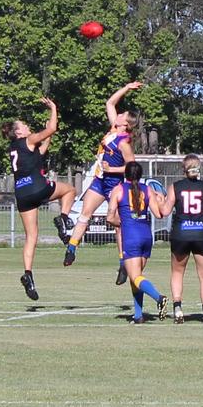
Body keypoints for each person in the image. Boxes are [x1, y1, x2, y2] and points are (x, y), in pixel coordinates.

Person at [64, 81, 141, 286]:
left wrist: (112, 169)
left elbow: (132, 167)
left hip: (115, 184)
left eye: (122, 114)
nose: (118, 114)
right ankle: (71, 248)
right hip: (100, 180)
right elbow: (109, 103)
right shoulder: (112, 130)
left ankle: (123, 263)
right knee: (84, 214)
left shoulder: (124, 142)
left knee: (117, 223)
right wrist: (126, 87)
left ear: (126, 124)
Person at [3, 96, 78, 300]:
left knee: (31, 237)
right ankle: (62, 219)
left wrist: (47, 137)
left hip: (22, 193)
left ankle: (28, 274)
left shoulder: (14, 149)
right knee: (70, 190)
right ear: (19, 132)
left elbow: (41, 151)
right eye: (24, 126)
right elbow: (52, 128)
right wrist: (53, 108)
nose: (28, 127)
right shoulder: (27, 140)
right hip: (37, 186)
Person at [105, 162, 170, 323]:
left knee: (134, 277)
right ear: (140, 175)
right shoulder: (147, 189)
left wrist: (122, 223)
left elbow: (110, 217)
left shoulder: (118, 189)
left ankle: (159, 298)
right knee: (137, 277)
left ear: (125, 174)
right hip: (146, 235)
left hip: (131, 236)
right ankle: (138, 315)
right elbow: (159, 214)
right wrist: (161, 200)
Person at [165, 154, 203, 325]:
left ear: (183, 169)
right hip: (201, 234)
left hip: (181, 234)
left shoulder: (175, 187)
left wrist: (160, 200)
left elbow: (165, 211)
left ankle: (178, 309)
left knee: (177, 272)